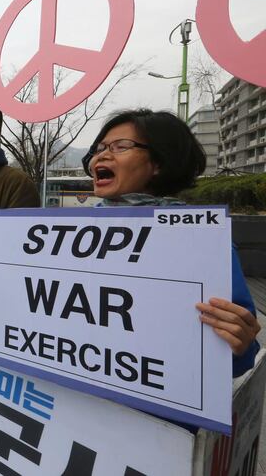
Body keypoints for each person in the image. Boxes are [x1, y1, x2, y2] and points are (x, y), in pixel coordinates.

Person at [81, 109, 260, 376]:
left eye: (120, 147)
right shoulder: (74, 231)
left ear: (159, 163)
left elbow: (239, 356)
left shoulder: (202, 241)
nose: (102, 155)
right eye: (100, 148)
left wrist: (240, 343)